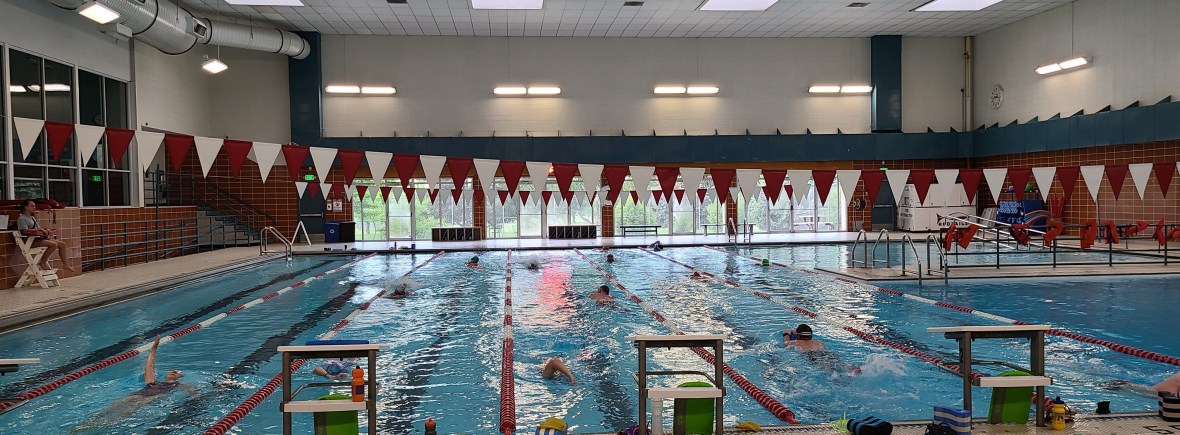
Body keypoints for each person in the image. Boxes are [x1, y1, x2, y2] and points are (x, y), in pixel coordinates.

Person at [71, 336, 196, 432]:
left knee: (127, 411)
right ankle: (88, 424)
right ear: (167, 373)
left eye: (178, 372)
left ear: (179, 377)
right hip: (137, 394)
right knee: (113, 406)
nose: (174, 372)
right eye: (173, 370)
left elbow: (191, 392)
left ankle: (105, 427)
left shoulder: (177, 384)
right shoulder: (153, 381)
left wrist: (198, 396)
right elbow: (149, 366)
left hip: (149, 399)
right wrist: (154, 348)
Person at [17, 199, 75, 272]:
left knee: (62, 244)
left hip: (38, 239)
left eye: (34, 206)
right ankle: (43, 262)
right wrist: (40, 231)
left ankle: (65, 264)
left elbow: (38, 228)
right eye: (32, 206)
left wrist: (46, 230)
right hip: (30, 241)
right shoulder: (21, 219)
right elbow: (24, 231)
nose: (34, 207)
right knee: (53, 245)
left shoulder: (32, 218)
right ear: (26, 207)